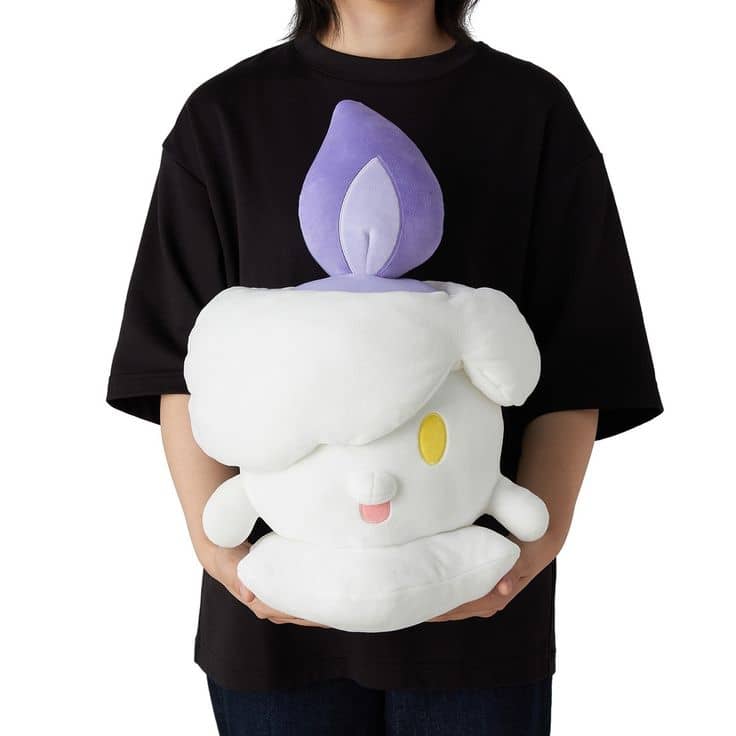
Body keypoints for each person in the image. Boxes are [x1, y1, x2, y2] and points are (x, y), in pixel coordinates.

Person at [106, 1, 662, 733]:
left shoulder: (533, 111)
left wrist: (523, 559)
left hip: (476, 611)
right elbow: (176, 360)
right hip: (276, 614)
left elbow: (582, 355)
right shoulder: (225, 115)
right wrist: (227, 561)